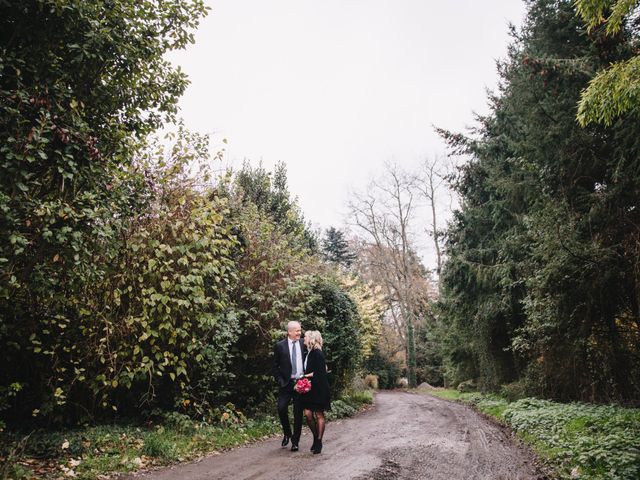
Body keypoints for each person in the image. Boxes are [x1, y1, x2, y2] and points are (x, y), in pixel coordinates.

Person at [272, 320, 307, 452]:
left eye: (300, 330)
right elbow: (275, 366)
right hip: (286, 384)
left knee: (298, 413)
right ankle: (287, 433)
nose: (299, 333)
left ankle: (295, 441)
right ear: (290, 332)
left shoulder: (304, 343)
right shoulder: (280, 346)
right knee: (281, 408)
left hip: (300, 383)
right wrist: (280, 380)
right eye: (297, 331)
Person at [300, 330, 331, 454]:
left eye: (305, 337)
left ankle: (318, 441)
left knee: (319, 414)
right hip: (309, 388)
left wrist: (304, 376)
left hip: (319, 389)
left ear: (311, 339)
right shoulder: (309, 353)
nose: (304, 338)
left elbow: (319, 373)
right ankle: (316, 436)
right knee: (307, 414)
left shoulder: (317, 353)